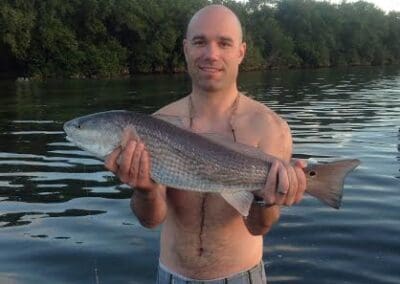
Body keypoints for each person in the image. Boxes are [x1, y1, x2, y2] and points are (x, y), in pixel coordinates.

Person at [105, 4, 307, 283]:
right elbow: (151, 221)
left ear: (241, 51)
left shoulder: (272, 128)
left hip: (242, 277)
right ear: (186, 48)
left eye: (224, 43)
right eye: (200, 42)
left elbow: (259, 227)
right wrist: (145, 190)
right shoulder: (157, 124)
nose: (211, 54)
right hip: (171, 275)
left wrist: (267, 201)